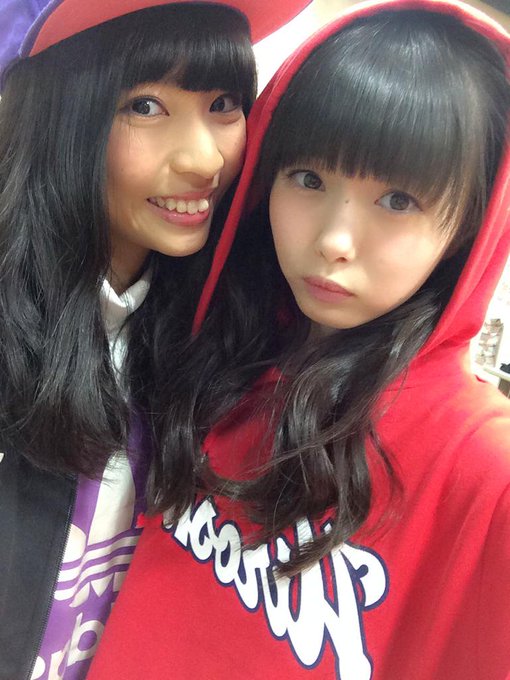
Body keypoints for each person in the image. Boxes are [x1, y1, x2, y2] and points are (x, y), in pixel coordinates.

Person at [88, 0, 510, 678]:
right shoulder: (219, 357)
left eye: (398, 200)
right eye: (308, 179)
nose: (334, 240)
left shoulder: (482, 469)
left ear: (469, 223)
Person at [0, 1, 311, 678]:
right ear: (57, 114)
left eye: (223, 104)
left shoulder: (224, 334)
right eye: (145, 106)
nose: (204, 159)